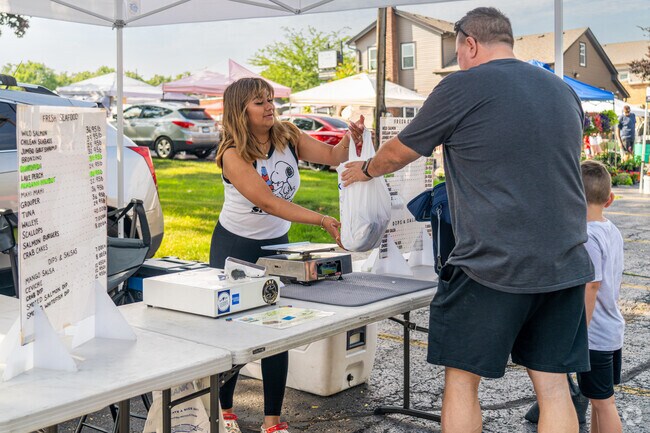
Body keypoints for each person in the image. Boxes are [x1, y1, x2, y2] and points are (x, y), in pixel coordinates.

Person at [342, 7, 593, 433]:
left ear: (470, 44)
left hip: (491, 264)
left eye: (458, 52)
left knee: (461, 381)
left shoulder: (462, 86)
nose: (458, 61)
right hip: (565, 262)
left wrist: (362, 170)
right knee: (553, 387)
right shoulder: (561, 89)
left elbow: (399, 152)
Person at [210, 77, 364, 433]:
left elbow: (332, 157)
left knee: (276, 329)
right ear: (240, 110)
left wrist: (350, 137)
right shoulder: (232, 153)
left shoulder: (288, 136)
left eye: (269, 99)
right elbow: (268, 202)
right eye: (259, 102)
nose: (269, 106)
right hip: (236, 247)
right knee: (231, 332)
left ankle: (272, 423)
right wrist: (323, 219)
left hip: (277, 246)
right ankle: (225, 411)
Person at [578, 160, 625, 433]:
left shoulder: (588, 237)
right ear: (610, 199)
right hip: (611, 330)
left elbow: (591, 286)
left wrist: (579, 330)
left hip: (594, 336)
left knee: (604, 403)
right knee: (599, 401)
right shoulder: (612, 230)